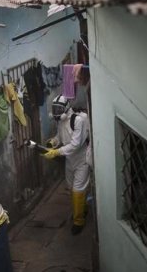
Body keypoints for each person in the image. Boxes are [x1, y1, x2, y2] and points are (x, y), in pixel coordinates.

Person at [43, 94, 90, 235]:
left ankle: (78, 221)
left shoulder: (78, 121)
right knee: (71, 188)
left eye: (58, 109)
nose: (56, 113)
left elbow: (75, 144)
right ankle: (83, 207)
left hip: (82, 160)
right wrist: (53, 142)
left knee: (77, 190)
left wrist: (56, 152)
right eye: (54, 109)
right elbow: (59, 136)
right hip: (69, 160)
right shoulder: (61, 122)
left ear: (66, 109)